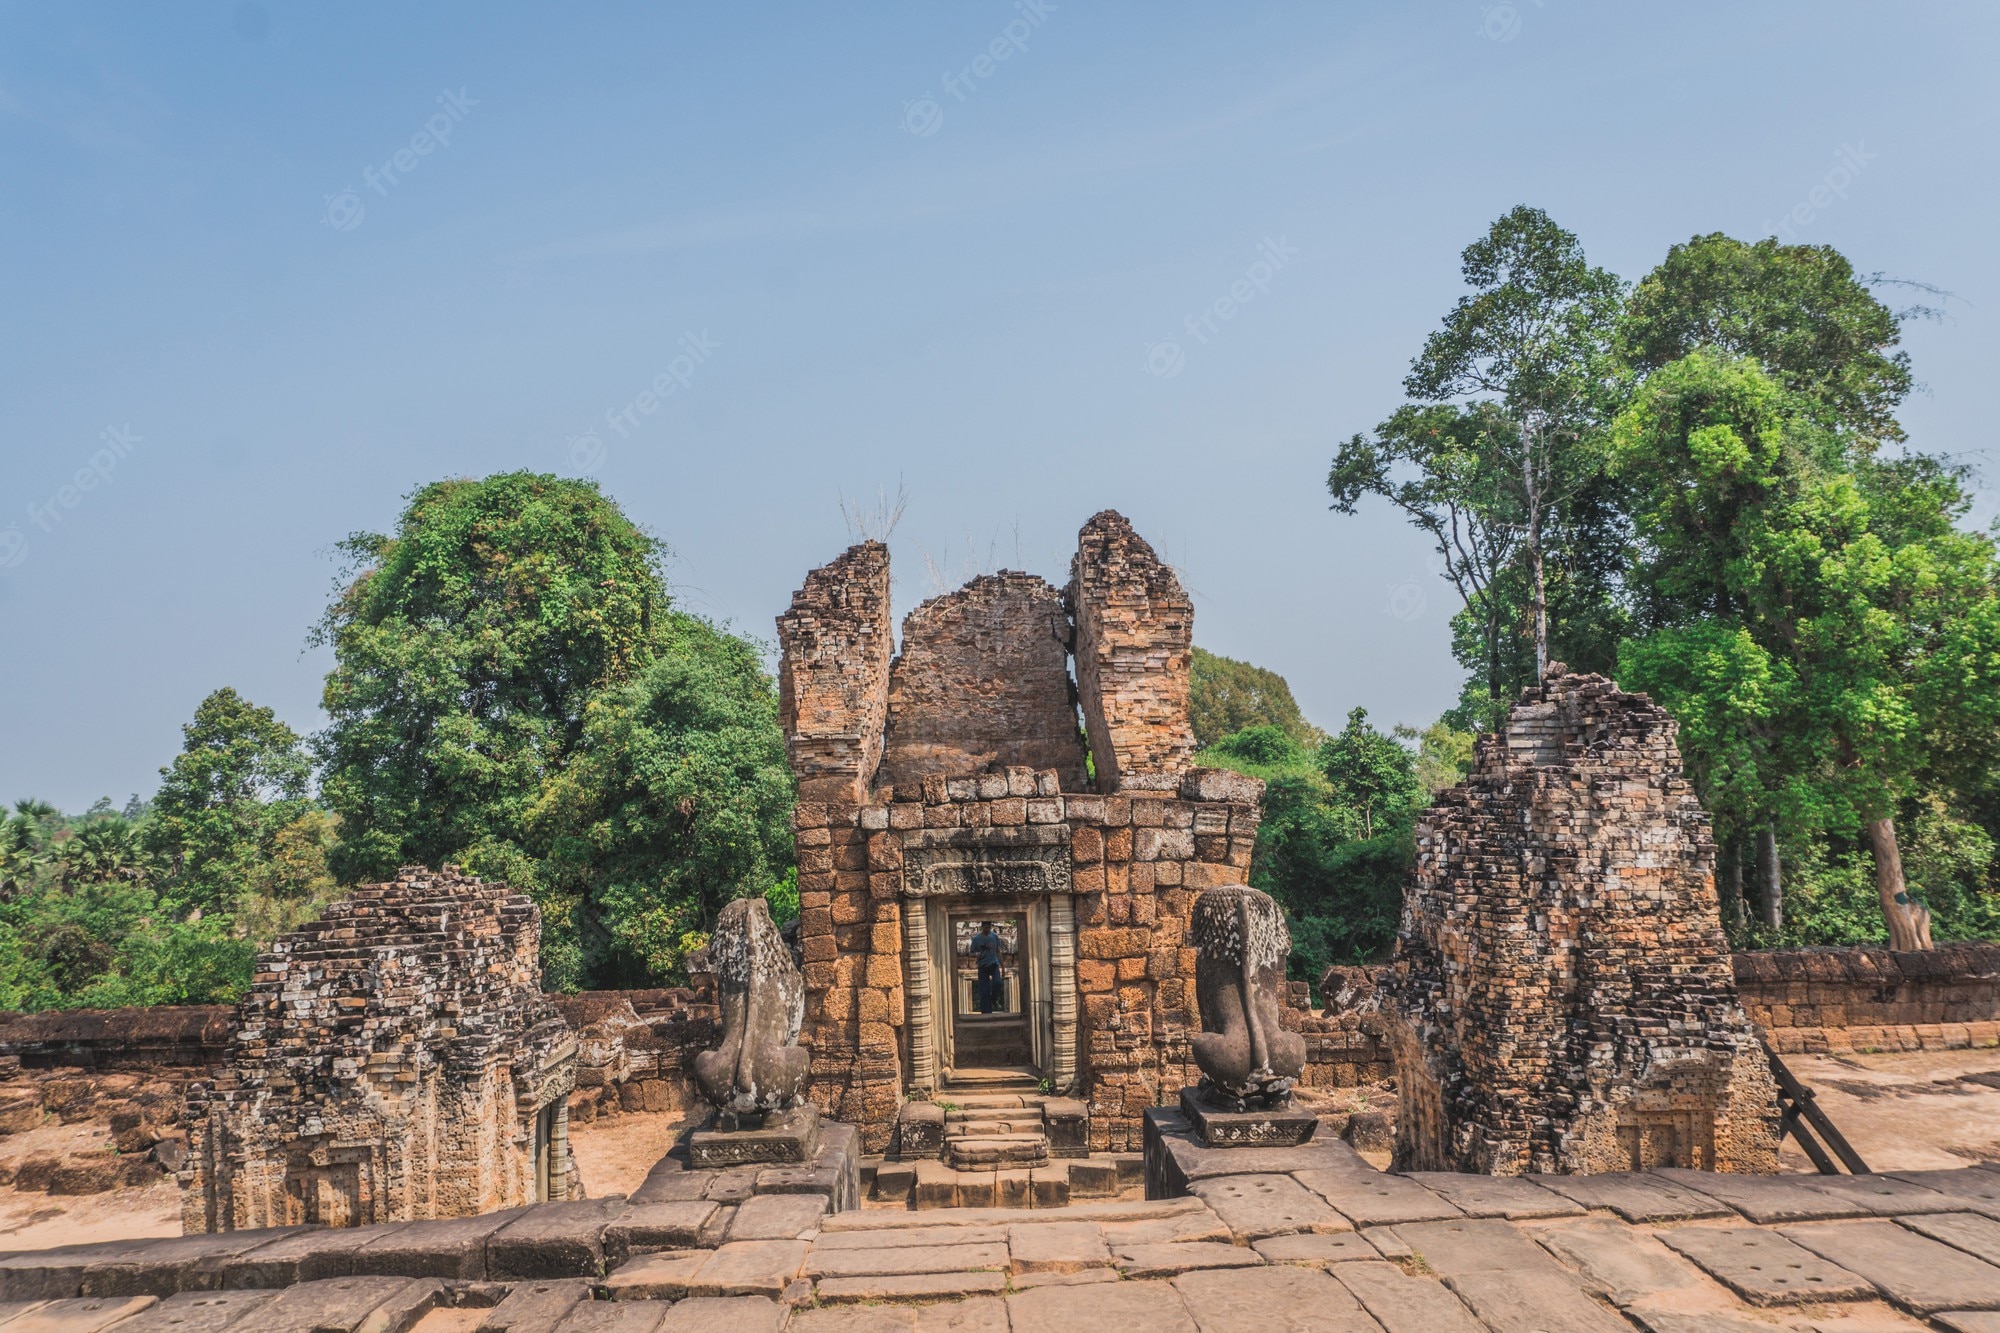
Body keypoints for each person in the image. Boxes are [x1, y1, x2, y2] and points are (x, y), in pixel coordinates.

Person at [969, 921, 1004, 1014]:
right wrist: (976, 955)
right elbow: (971, 952)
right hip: (982, 966)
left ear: (990, 927)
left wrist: (1003, 967)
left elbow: (998, 952)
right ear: (982, 927)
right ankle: (986, 1013)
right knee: (984, 991)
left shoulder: (994, 937)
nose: (987, 929)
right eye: (985, 927)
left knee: (997, 982)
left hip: (994, 964)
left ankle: (994, 998)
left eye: (988, 927)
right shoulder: (977, 939)